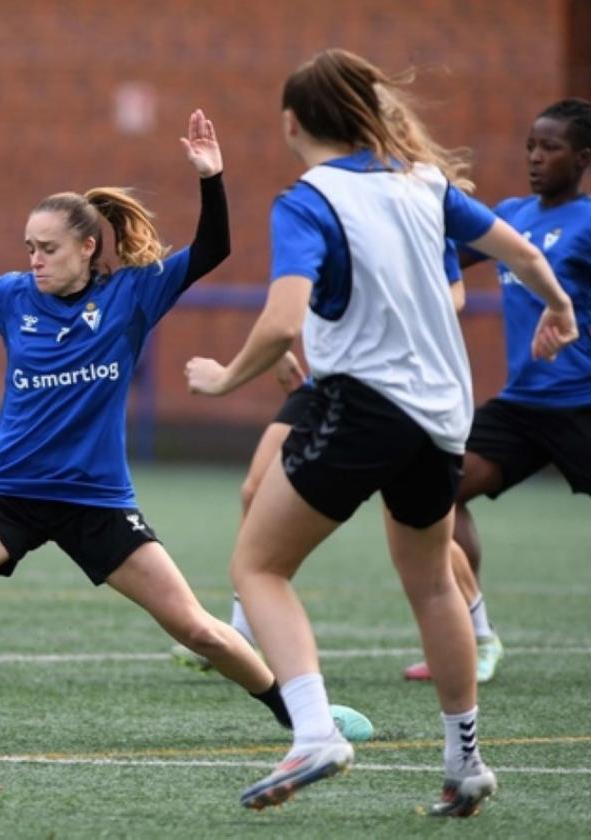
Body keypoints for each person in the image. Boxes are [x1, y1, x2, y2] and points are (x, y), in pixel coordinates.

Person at [0, 109, 368, 749]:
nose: (34, 259)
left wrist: (212, 178)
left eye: (47, 248)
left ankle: (304, 718)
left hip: (95, 499)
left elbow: (213, 250)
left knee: (197, 629)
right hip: (8, 489)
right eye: (29, 248)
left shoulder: (134, 295)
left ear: (88, 247)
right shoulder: (14, 296)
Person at [183, 49, 577, 815]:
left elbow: (284, 320)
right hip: (441, 421)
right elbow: (523, 253)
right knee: (433, 585)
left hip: (362, 407)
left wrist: (226, 377)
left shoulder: (307, 199)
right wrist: (560, 308)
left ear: (292, 122)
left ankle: (313, 732)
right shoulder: (425, 184)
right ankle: (464, 763)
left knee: (258, 568)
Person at [173, 245, 466, 670]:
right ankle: (243, 632)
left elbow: (474, 280)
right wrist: (279, 349)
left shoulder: (425, 202)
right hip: (323, 382)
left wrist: (226, 378)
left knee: (418, 539)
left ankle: (476, 626)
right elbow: (291, 303)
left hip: (390, 389)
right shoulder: (318, 200)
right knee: (255, 489)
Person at [403, 98, 591, 685]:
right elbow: (437, 258)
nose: (536, 157)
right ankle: (469, 637)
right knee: (438, 490)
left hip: (583, 403)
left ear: (583, 158)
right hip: (524, 405)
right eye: (531, 145)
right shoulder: (510, 215)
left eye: (551, 147)